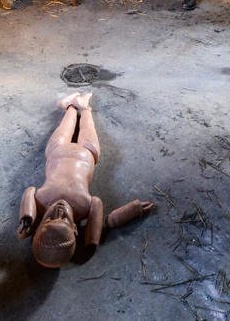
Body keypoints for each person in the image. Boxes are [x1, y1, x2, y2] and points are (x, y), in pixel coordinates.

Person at [17, 93, 154, 268]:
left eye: (50, 219)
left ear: (40, 224)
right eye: (64, 219)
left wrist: (26, 218)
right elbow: (103, 219)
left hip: (56, 151)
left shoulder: (42, 201)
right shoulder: (83, 206)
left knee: (65, 127)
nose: (58, 210)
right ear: (75, 229)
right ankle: (84, 106)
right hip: (86, 153)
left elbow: (29, 191)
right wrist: (129, 212)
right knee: (87, 127)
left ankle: (69, 106)